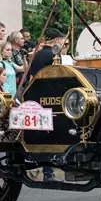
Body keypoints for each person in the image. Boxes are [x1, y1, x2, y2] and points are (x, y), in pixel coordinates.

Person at [28, 28, 65, 182]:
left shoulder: (37, 55)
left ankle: (44, 166)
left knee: (41, 133)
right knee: (52, 134)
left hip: (37, 95)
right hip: (53, 97)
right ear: (56, 40)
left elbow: (31, 75)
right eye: (61, 40)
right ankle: (49, 171)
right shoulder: (54, 55)